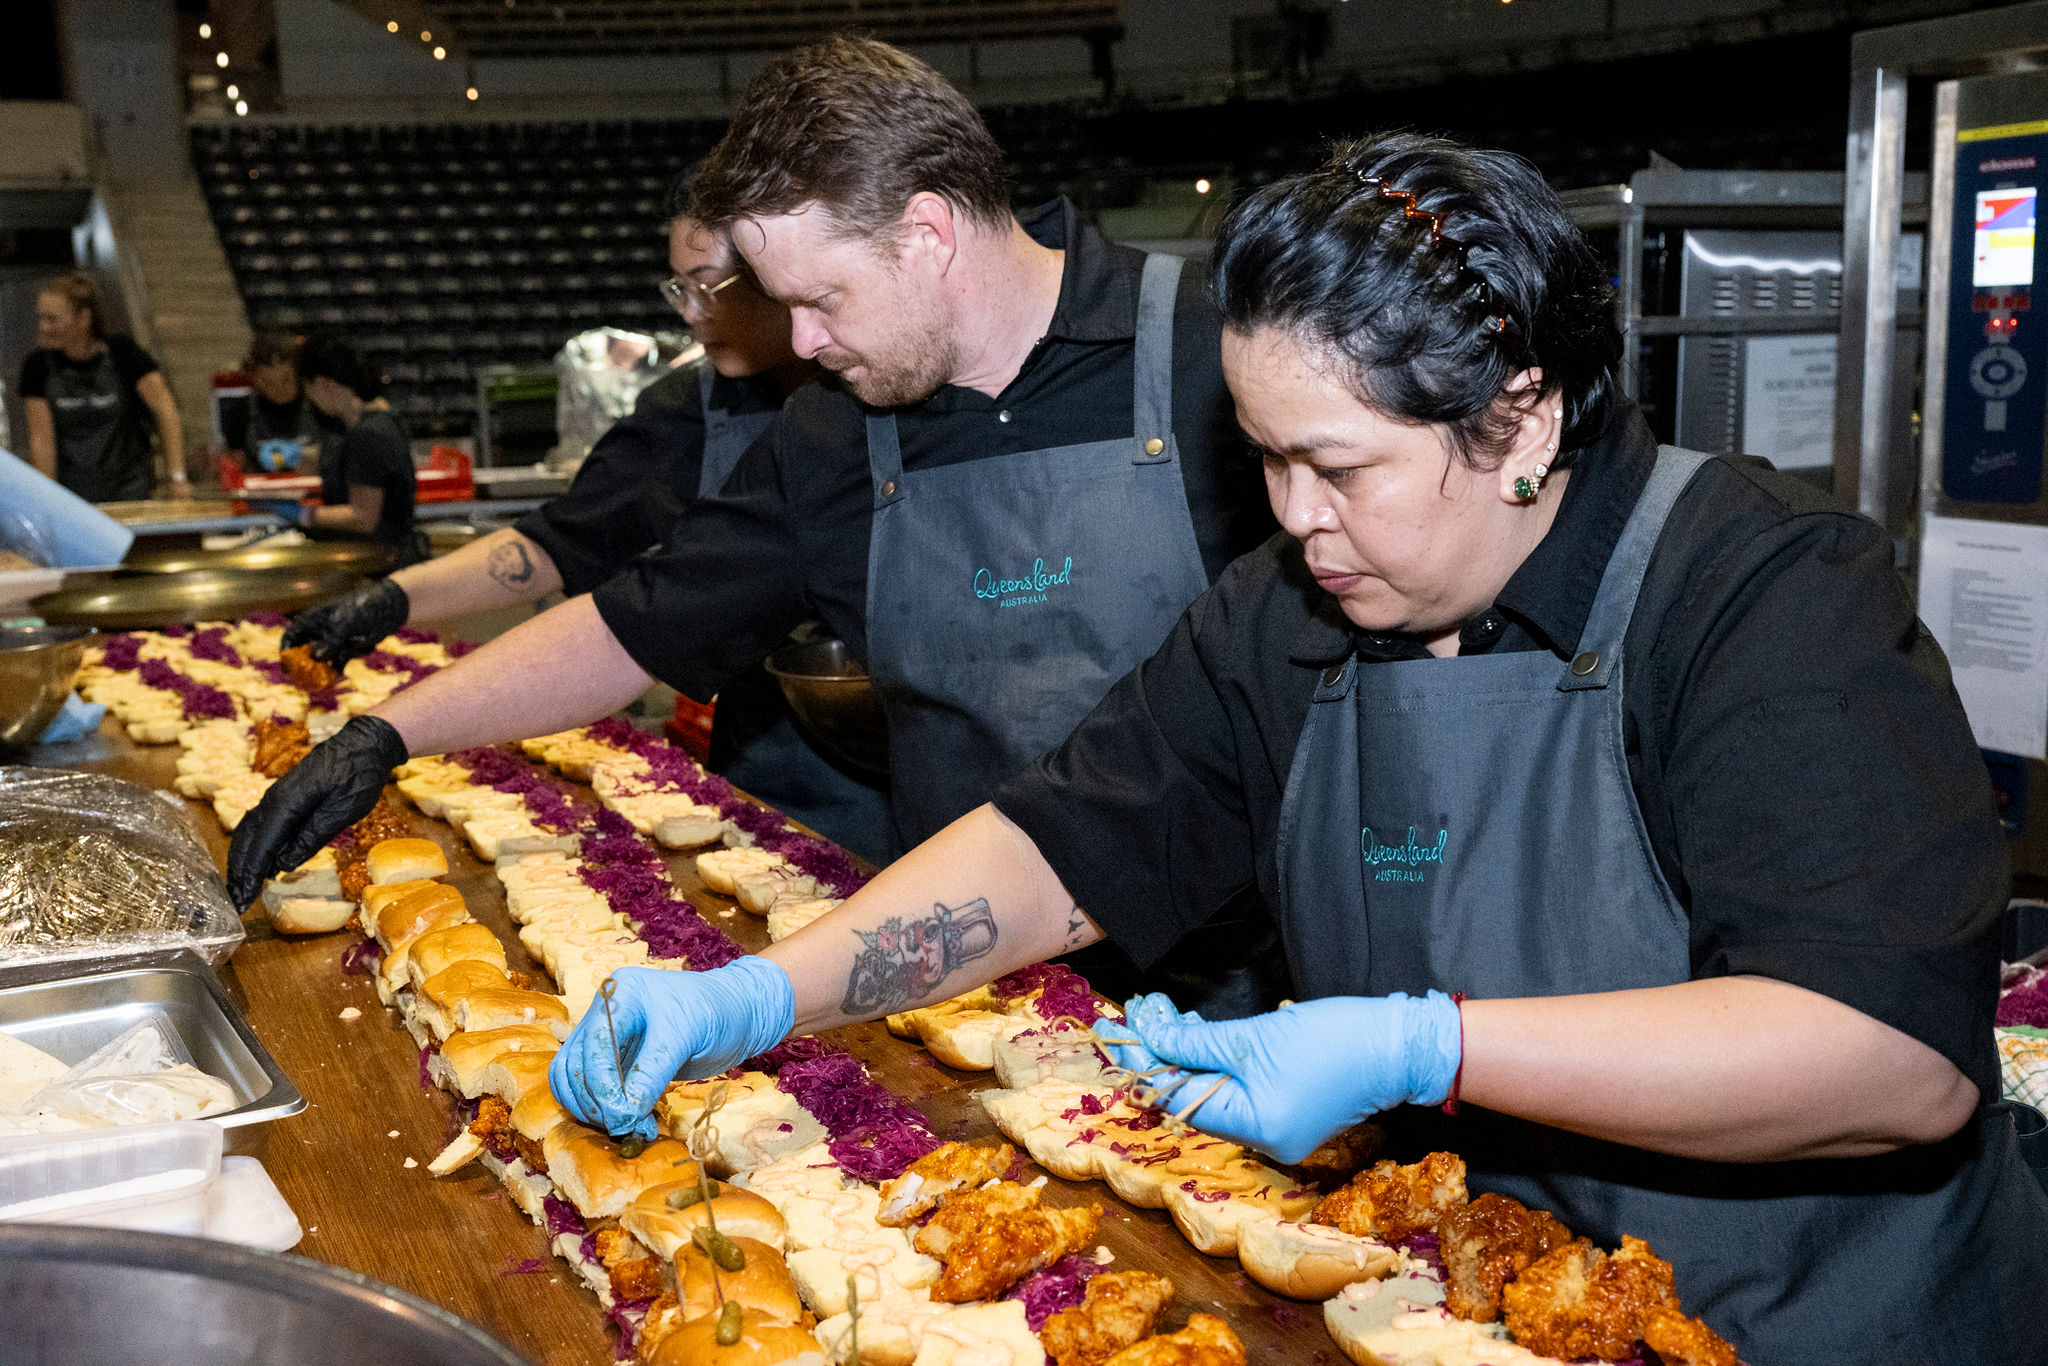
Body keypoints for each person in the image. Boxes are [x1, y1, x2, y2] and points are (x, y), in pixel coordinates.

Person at [537, 134, 2048, 1364]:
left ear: (1520, 417)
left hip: (1802, 1315)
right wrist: (760, 992)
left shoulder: (1761, 595)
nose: (1292, 516)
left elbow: (1890, 1059)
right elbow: (1063, 844)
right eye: (1262, 456)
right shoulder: (1290, 611)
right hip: (1474, 1306)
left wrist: (1424, 1044)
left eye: (1337, 466)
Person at [226, 36, 1284, 1011]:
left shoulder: (1216, 351)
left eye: (821, 298)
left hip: (1241, 982)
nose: (804, 341)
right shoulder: (833, 431)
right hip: (958, 976)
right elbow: (635, 625)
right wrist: (391, 731)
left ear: (925, 232)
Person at [278, 189, 895, 859]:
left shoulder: (885, 391)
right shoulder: (688, 413)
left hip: (909, 752)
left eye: (711, 288)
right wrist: (396, 599)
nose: (691, 316)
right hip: (773, 759)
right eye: (679, 290)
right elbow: (564, 548)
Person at [19, 271, 188, 502]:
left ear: (84, 318)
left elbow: (166, 410)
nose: (44, 327)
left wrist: (176, 479)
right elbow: (42, 441)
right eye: (41, 318)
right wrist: (46, 500)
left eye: (52, 319)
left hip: (130, 492)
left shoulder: (123, 352)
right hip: (74, 499)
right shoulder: (37, 365)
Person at [294, 334, 422, 559]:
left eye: (309, 389)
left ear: (324, 384)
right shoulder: (379, 420)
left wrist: (303, 514)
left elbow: (363, 517)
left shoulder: (368, 434)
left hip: (378, 560)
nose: (310, 399)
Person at [222, 331, 331, 473]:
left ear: (297, 373)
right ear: (257, 381)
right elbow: (234, 464)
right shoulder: (241, 412)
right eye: (269, 383)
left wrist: (305, 456)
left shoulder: (320, 405)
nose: (279, 389)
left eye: (285, 380)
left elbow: (338, 455)